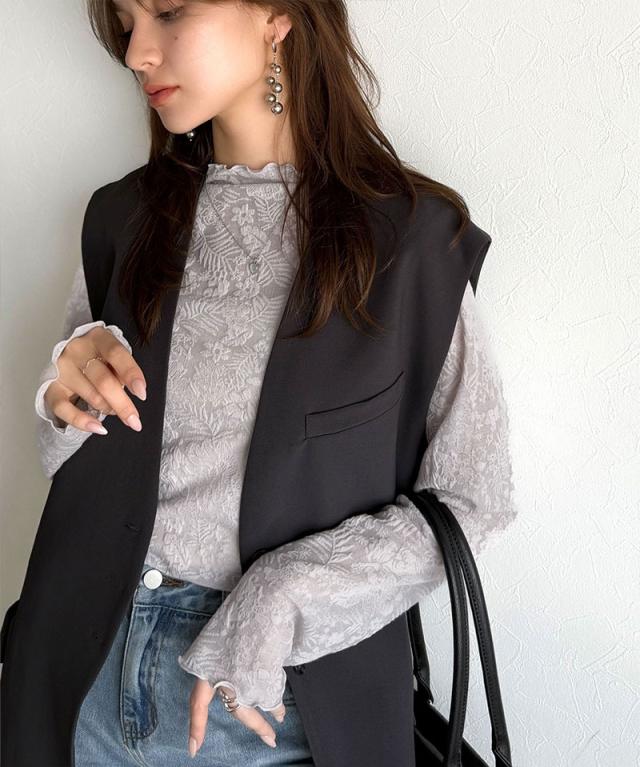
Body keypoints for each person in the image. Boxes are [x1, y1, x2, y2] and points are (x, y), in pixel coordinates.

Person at [4, 1, 518, 765]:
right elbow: (69, 454)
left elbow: (474, 498)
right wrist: (61, 386)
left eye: (168, 11)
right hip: (77, 679)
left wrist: (282, 598)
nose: (138, 52)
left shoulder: (411, 240)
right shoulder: (122, 218)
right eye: (127, 23)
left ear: (276, 16)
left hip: (278, 706)